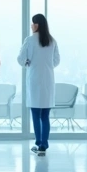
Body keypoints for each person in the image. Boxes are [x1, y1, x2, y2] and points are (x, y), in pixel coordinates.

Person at [16, 14, 59, 157]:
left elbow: (20, 59)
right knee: (45, 115)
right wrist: (47, 65)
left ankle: (38, 142)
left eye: (32, 23)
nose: (31, 25)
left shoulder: (29, 40)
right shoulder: (52, 41)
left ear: (37, 25)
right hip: (48, 79)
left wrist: (28, 62)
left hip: (34, 79)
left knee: (35, 114)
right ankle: (43, 145)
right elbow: (56, 61)